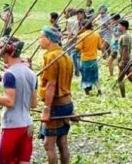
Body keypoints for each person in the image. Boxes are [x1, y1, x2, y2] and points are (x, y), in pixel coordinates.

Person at [38, 26, 75, 163]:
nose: (39, 40)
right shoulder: (65, 55)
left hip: (55, 105)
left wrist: (47, 109)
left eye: (41, 37)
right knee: (62, 143)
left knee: (49, 144)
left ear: (48, 39)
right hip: (67, 103)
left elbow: (51, 84)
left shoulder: (51, 56)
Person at [76, 19, 102, 96]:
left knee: (85, 76)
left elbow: (78, 48)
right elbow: (100, 47)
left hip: (85, 59)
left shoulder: (82, 36)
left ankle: (87, 91)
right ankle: (99, 90)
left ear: (83, 26)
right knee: (95, 75)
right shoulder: (96, 35)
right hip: (94, 59)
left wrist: (75, 43)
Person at [117, 19, 132, 97]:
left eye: (119, 25)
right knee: (131, 78)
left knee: (120, 79)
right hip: (127, 60)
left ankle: (123, 96)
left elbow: (125, 49)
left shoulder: (125, 37)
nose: (118, 27)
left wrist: (122, 61)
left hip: (125, 60)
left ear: (123, 27)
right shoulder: (124, 36)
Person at [64, 7, 83, 77]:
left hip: (72, 39)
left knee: (72, 55)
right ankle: (77, 72)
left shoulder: (69, 20)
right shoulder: (78, 20)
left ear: (69, 13)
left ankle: (78, 71)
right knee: (78, 56)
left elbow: (69, 32)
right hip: (79, 39)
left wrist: (68, 37)